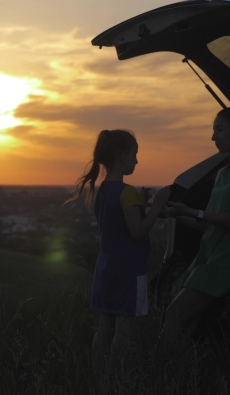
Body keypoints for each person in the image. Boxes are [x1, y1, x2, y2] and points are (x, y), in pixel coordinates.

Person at [160, 107, 230, 350]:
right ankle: (183, 380)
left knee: (174, 316)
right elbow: (207, 223)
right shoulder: (221, 174)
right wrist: (177, 213)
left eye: (219, 129)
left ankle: (163, 376)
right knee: (186, 327)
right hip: (207, 258)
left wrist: (189, 211)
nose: (213, 137)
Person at [67, 129, 172, 358]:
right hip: (129, 272)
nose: (136, 160)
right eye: (135, 154)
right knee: (125, 330)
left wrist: (141, 208)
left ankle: (98, 375)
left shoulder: (102, 191)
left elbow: (119, 224)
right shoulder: (128, 193)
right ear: (122, 156)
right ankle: (118, 380)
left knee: (104, 327)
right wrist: (156, 206)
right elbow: (138, 231)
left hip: (106, 269)